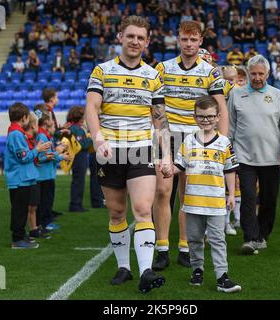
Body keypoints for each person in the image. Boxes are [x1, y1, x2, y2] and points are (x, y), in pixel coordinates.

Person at [85, 16, 171, 293]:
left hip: (140, 149)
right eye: (130, 36)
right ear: (120, 37)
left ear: (147, 42)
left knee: (143, 209)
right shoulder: (102, 71)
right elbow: (91, 108)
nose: (135, 41)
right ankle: (125, 267)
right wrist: (98, 139)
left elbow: (160, 119)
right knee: (116, 211)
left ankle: (146, 270)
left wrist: (165, 154)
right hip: (110, 150)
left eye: (140, 38)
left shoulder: (153, 76)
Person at [152, 21, 228, 271]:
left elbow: (221, 107)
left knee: (188, 195)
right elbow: (157, 109)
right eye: (184, 39)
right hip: (168, 135)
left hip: (197, 139)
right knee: (163, 192)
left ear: (201, 42)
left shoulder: (210, 71)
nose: (188, 44)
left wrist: (222, 143)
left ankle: (185, 246)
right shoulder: (163, 68)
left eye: (193, 40)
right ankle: (161, 248)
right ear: (178, 40)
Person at [161, 96, 241, 293]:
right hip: (193, 201)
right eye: (202, 117)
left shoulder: (224, 142)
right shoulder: (188, 141)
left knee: (217, 239)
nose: (206, 120)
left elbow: (230, 169)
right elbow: (180, 165)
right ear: (195, 117)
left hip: (215, 203)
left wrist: (231, 195)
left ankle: (222, 276)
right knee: (194, 239)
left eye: (210, 116)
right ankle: (197, 270)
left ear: (218, 117)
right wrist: (169, 170)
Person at [228, 55, 280, 255]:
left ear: (268, 74)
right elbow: (230, 128)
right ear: (248, 73)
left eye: (261, 74)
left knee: (268, 199)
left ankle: (262, 235)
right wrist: (227, 153)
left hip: (271, 158)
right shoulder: (237, 95)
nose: (257, 77)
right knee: (248, 197)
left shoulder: (278, 96)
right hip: (244, 157)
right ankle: (250, 238)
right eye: (253, 73)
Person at [4, 103, 51, 249]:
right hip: (19, 179)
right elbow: (23, 157)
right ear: (24, 117)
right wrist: (38, 149)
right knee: (19, 211)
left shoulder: (17, 133)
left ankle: (22, 235)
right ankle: (17, 240)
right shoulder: (16, 134)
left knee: (23, 210)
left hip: (23, 179)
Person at [36, 110, 70, 231]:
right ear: (46, 123)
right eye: (52, 121)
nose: (54, 124)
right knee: (45, 202)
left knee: (47, 201)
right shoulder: (42, 136)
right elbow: (42, 157)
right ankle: (45, 223)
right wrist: (59, 152)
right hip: (44, 175)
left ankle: (46, 222)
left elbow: (49, 156)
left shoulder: (45, 135)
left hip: (47, 174)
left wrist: (61, 156)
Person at [67, 106, 90, 212]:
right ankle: (75, 205)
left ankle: (76, 204)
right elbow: (82, 145)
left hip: (76, 157)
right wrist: (90, 138)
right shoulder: (77, 129)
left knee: (77, 181)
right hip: (79, 157)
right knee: (78, 181)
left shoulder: (73, 127)